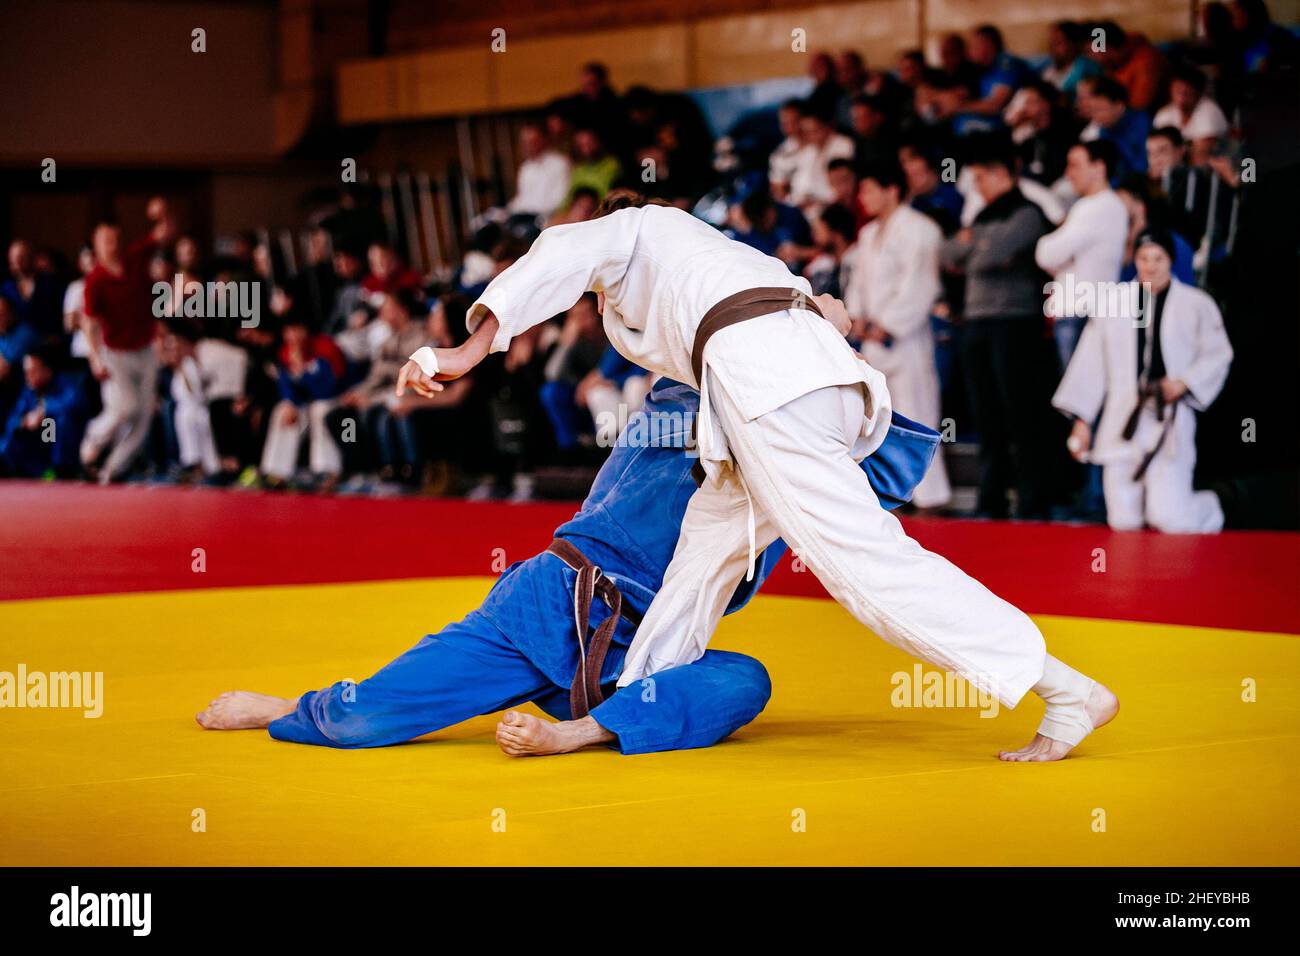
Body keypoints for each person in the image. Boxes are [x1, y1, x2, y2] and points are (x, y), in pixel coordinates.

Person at [398, 190, 1119, 761]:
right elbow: (813, 313)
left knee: (867, 567)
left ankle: (1064, 690)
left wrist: (466, 352)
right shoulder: (724, 256)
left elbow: (559, 250)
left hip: (771, 393)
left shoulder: (638, 229)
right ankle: (623, 711)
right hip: (800, 390)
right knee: (699, 562)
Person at [196, 374, 929, 754]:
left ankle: (580, 732)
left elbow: (891, 470)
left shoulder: (792, 489)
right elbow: (698, 372)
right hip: (546, 609)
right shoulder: (676, 425)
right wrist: (797, 321)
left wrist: (842, 359)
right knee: (365, 721)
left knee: (746, 680)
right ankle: (287, 706)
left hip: (642, 652)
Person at [1053, 229, 1233, 532]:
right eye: (1143, 258)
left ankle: (1208, 507)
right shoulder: (1113, 301)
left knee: (1170, 520)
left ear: (1170, 262)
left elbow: (1218, 354)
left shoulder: (1195, 304)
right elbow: (1091, 361)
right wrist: (1082, 421)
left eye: (1158, 258)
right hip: (1122, 413)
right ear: (1134, 260)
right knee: (1123, 520)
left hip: (1168, 413)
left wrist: (1185, 382)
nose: (1150, 266)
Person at [940, 140, 1057, 520]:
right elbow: (945, 254)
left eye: (980, 178)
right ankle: (990, 499)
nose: (976, 187)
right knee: (986, 414)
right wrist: (976, 246)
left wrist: (973, 247)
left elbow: (984, 255)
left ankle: (1032, 500)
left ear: (1001, 174)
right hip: (977, 324)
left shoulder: (1028, 213)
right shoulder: (984, 215)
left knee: (1020, 413)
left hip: (1014, 323)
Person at [845, 159, 951, 509]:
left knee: (919, 412)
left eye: (868, 189)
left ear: (891, 190)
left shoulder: (921, 228)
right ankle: (889, 492)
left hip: (906, 337)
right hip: (873, 339)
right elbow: (858, 284)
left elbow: (920, 283)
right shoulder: (867, 233)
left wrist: (887, 323)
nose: (863, 197)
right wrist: (856, 318)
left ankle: (931, 496)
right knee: (877, 417)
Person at [79, 221, 162, 483]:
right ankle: (94, 437)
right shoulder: (95, 281)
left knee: (145, 415)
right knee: (125, 408)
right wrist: (94, 359)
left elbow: (163, 233)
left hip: (146, 349)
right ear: (97, 245)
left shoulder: (135, 259)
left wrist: (162, 214)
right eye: (106, 241)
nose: (112, 246)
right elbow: (90, 324)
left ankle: (113, 469)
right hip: (115, 353)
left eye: (115, 240)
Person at [1036, 140, 1129, 370]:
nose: (1068, 173)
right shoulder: (1107, 206)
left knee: (1077, 399)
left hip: (1081, 312)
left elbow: (1047, 254)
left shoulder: (1094, 207)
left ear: (1099, 168)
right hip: (1085, 311)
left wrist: (1056, 250)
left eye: (1075, 165)